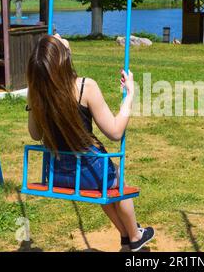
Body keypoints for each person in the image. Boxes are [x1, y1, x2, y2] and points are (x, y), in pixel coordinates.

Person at [26, 34, 154, 252]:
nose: (58, 35)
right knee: (114, 180)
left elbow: (35, 135)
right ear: (63, 58)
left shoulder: (38, 92)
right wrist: (130, 95)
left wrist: (32, 99)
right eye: (56, 39)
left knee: (103, 183)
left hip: (58, 173)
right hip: (89, 172)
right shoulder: (85, 87)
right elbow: (115, 131)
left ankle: (124, 235)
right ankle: (135, 236)